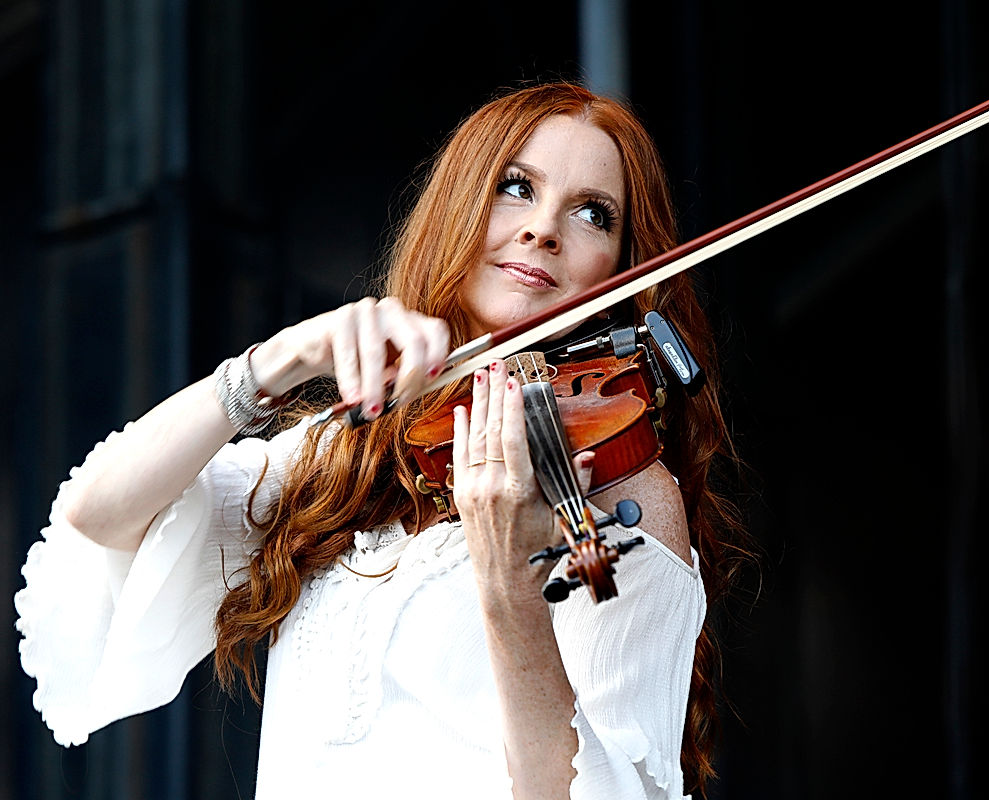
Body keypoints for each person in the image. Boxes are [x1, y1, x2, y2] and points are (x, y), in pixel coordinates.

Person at [15, 83, 747, 799]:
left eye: (593, 213)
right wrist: (276, 362)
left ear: (620, 269)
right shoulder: (346, 456)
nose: (543, 229)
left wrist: (509, 586)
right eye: (515, 187)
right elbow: (100, 515)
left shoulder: (621, 489)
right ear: (459, 204)